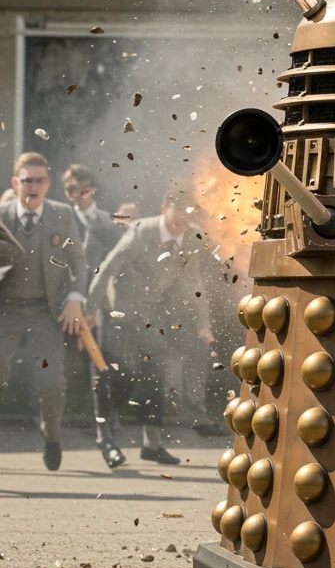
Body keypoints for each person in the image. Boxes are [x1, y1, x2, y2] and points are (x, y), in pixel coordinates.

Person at [85, 186, 215, 466]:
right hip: (118, 312)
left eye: (188, 213)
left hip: (151, 315)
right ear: (164, 208)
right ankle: (104, 436)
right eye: (177, 211)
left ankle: (152, 444)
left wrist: (203, 323)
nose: (182, 219)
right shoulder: (141, 232)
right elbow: (108, 267)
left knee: (155, 374)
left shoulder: (191, 238)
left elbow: (193, 282)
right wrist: (90, 309)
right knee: (119, 376)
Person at [0, 152, 90, 470]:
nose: (33, 187)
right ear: (16, 182)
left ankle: (51, 435)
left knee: (51, 381)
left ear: (48, 183)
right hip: (5, 311)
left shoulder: (61, 215)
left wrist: (76, 298)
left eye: (40, 180)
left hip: (45, 312)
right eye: (27, 180)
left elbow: (78, 261)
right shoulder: (1, 215)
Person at [62, 164, 124, 276]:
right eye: (72, 189)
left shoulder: (110, 216)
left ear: (92, 188)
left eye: (83, 188)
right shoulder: (64, 221)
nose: (77, 194)